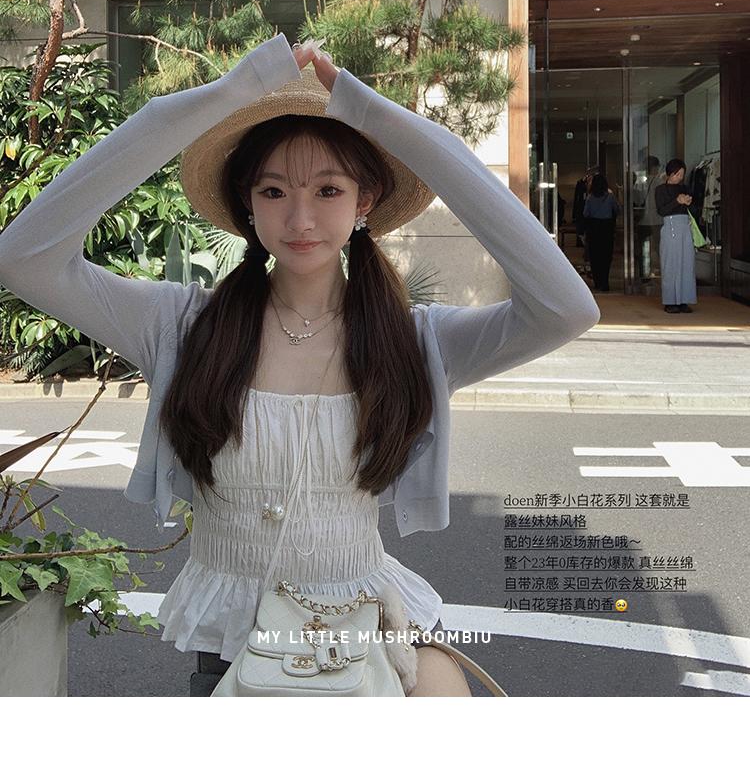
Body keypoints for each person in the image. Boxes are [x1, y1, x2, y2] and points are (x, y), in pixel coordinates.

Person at [0, 34, 600, 697]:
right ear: (248, 203)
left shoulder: (415, 341)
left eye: (329, 189)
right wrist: (224, 97)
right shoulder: (180, 325)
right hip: (235, 655)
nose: (301, 218)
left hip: (369, 645)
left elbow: (566, 308)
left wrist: (383, 120)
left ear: (365, 201)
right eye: (274, 190)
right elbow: (25, 257)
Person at [654, 157, 697, 314]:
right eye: (677, 174)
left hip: (685, 226)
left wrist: (689, 202)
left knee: (686, 264)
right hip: (670, 226)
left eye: (681, 175)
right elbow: (661, 210)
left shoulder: (685, 188)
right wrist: (677, 201)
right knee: (670, 264)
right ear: (670, 173)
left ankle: (684, 300)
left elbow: (695, 209)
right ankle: (670, 301)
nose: (679, 178)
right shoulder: (660, 190)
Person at [582, 173, 620, 292]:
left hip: (593, 228)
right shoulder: (610, 196)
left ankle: (597, 281)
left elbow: (585, 213)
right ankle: (605, 281)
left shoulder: (590, 197)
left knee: (595, 256)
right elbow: (617, 210)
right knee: (606, 256)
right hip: (607, 228)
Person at [635, 155, 665, 281]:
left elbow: (638, 200)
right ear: (654, 167)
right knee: (659, 247)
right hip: (657, 218)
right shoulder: (660, 182)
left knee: (644, 248)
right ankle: (662, 271)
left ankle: (645, 272)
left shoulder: (641, 183)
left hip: (643, 219)